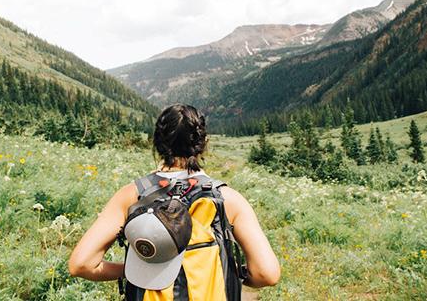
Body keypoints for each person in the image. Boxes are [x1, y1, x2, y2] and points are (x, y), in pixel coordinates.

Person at [68, 104, 280, 299]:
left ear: (157, 142)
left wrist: (132, 270)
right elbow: (267, 274)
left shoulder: (132, 195)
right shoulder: (227, 199)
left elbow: (81, 264)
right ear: (203, 144)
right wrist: (235, 274)